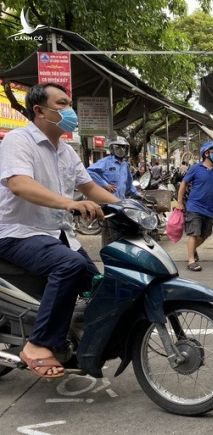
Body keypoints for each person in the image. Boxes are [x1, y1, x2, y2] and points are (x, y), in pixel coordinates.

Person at [0, 83, 119, 378]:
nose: (71, 112)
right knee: (69, 264)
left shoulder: (66, 151)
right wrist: (69, 203)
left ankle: (77, 345)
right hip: (17, 231)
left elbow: (89, 186)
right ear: (39, 111)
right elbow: (19, 183)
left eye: (70, 104)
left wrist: (129, 206)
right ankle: (38, 344)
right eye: (62, 104)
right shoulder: (19, 140)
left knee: (100, 288)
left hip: (58, 235)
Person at [176, 141, 213, 271]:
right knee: (194, 233)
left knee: (205, 235)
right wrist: (179, 202)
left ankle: (191, 249)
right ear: (206, 154)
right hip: (194, 206)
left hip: (210, 208)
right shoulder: (195, 168)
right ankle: (191, 261)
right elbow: (183, 184)